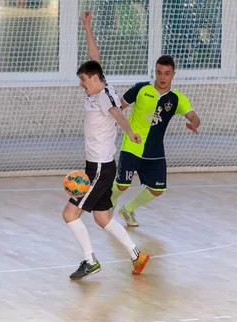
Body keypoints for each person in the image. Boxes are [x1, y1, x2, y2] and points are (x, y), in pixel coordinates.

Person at [64, 9, 149, 280]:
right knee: (102, 218)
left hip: (100, 168)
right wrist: (87, 27)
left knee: (69, 214)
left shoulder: (103, 96)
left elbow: (117, 115)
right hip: (98, 166)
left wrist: (131, 134)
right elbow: (95, 58)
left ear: (95, 79)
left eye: (83, 80)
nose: (81, 84)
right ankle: (137, 254)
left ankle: (90, 260)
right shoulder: (99, 83)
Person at [111, 59, 201, 227]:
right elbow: (118, 108)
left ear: (173, 74)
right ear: (155, 72)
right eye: (159, 72)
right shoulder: (141, 88)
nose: (162, 77)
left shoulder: (177, 99)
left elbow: (194, 116)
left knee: (157, 189)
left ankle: (128, 209)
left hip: (155, 150)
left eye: (167, 73)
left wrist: (194, 124)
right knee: (123, 184)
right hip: (132, 145)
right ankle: (110, 200)